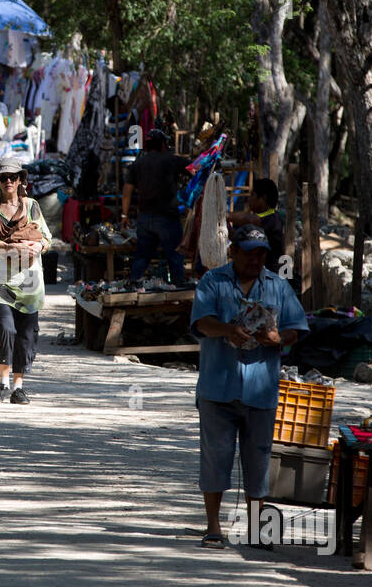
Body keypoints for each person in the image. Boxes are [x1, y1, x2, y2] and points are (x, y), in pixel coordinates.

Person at [190, 224, 309, 549]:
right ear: (233, 252)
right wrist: (227, 330)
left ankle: (257, 529)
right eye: (249, 253)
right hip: (218, 386)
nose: (256, 260)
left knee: (258, 460)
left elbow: (295, 329)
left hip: (261, 389)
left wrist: (276, 338)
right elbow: (201, 322)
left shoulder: (277, 287)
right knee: (215, 457)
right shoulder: (213, 281)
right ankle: (214, 526)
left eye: (261, 254)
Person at [0, 157, 51, 404]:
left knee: (26, 334)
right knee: (4, 328)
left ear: (21, 179)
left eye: (13, 177)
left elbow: (46, 239)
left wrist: (35, 246)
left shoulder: (32, 205)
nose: (8, 181)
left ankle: (18, 387)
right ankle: (3, 383)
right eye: (3, 177)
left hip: (30, 283)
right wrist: (13, 246)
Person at [121, 128, 188, 284]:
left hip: (145, 219)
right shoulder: (171, 160)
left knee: (141, 259)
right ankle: (178, 295)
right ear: (163, 144)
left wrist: (124, 216)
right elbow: (195, 169)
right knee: (175, 258)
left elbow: (127, 190)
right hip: (167, 219)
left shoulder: (138, 163)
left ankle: (134, 289)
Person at [227, 178, 285, 273]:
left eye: (252, 195)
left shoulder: (272, 218)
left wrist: (225, 215)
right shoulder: (257, 221)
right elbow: (237, 237)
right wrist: (225, 227)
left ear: (263, 198)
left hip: (273, 276)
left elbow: (250, 219)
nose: (248, 198)